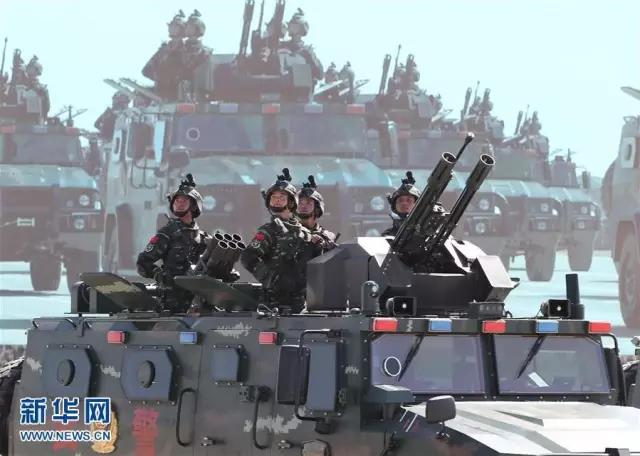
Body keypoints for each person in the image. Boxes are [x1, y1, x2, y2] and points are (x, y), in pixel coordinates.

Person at [240, 168, 321, 313]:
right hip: (273, 305)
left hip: (300, 303)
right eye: (274, 197)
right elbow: (248, 257)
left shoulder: (303, 232)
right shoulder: (269, 230)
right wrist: (273, 279)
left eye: (282, 196)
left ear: (291, 202)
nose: (277, 200)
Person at [136, 174, 213, 312]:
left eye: (184, 200)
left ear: (194, 205)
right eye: (177, 200)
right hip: (172, 302)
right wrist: (161, 276)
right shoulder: (167, 233)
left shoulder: (203, 238)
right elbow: (143, 263)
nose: (179, 203)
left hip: (197, 303)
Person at [297, 175, 338, 252]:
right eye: (300, 203)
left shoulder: (328, 237)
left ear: (317, 208)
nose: (303, 206)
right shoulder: (290, 232)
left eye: (308, 203)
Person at [382, 171, 421, 236]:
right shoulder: (388, 235)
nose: (404, 203)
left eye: (409, 200)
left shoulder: (427, 232)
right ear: (394, 206)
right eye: (400, 200)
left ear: (417, 204)